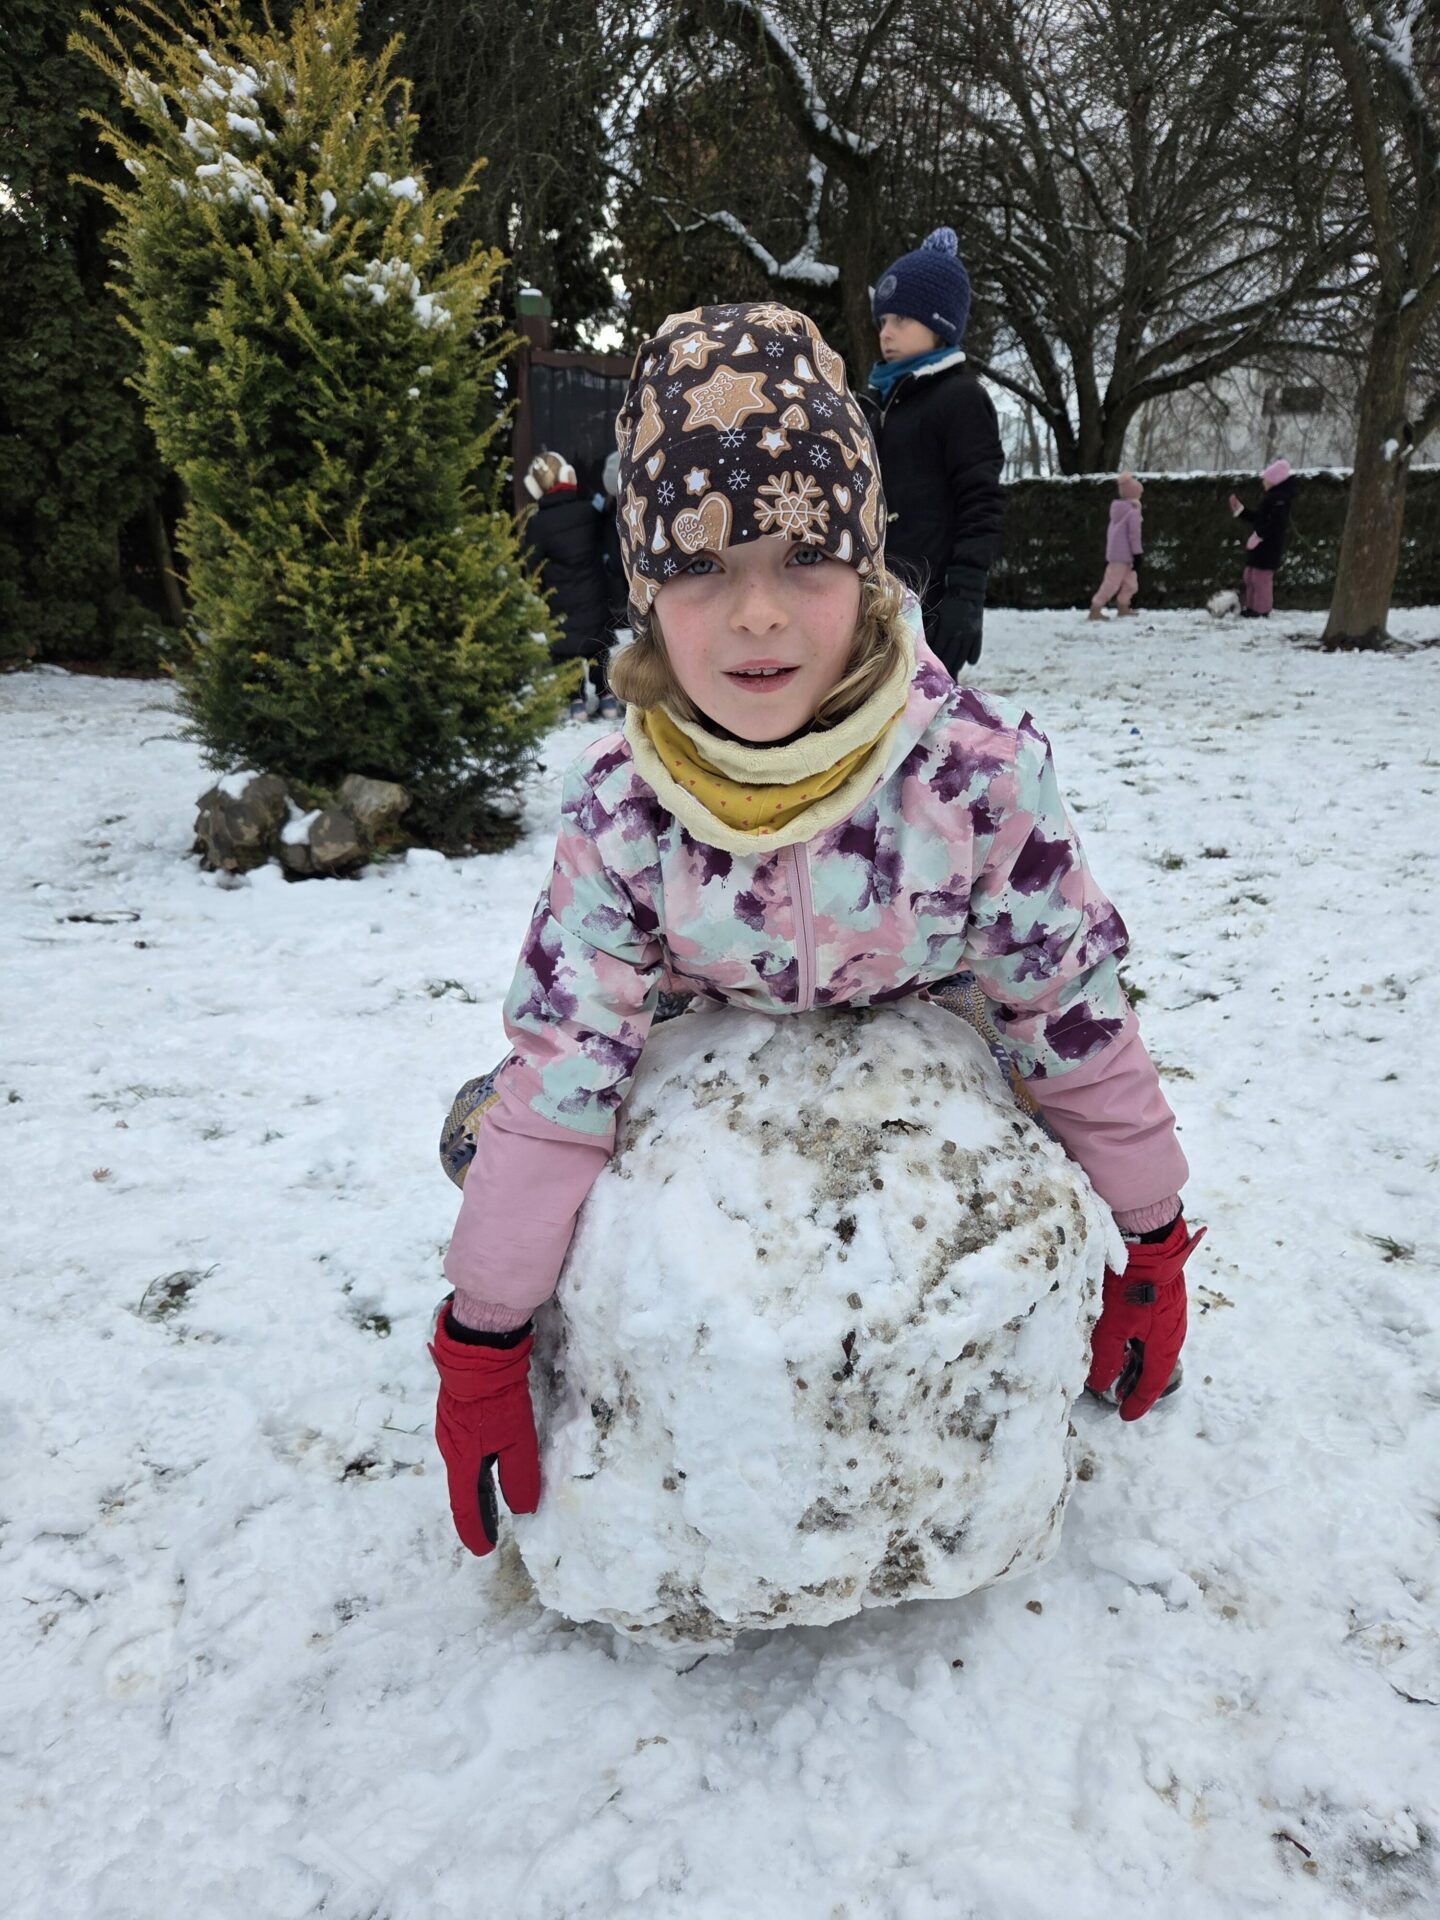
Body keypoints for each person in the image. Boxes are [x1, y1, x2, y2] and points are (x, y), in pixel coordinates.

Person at [429, 302, 1202, 1559]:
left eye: (803, 556)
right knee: (486, 1126)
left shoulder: (977, 782)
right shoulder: (627, 813)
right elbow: (564, 1073)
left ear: (869, 563)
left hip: (928, 1074)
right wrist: (483, 1331)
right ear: (646, 589)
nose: (757, 614)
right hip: (707, 1083)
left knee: (1038, 1123)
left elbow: (1072, 1016)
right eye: (701, 566)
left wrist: (1155, 1239)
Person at [858, 227, 1004, 675]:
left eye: (901, 320)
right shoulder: (873, 403)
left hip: (931, 604)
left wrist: (965, 596)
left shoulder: (960, 399)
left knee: (920, 715)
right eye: (882, 321)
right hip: (866, 600)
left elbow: (981, 501)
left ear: (939, 325)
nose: (886, 333)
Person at [521, 450, 621, 719]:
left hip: (559, 600)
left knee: (566, 650)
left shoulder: (537, 524)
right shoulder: (588, 510)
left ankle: (576, 701)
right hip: (594, 593)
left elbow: (531, 564)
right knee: (597, 645)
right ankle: (606, 698)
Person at [1228, 458, 1297, 618]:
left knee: (1261, 578)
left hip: (1268, 545)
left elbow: (1277, 524)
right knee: (1250, 576)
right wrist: (1241, 511)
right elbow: (1260, 518)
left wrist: (1259, 536)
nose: (1263, 482)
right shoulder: (1272, 497)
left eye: (1266, 479)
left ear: (1274, 480)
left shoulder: (1280, 499)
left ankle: (1261, 610)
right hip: (1259, 544)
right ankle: (1252, 607)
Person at [1089, 473, 1143, 620]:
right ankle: (1096, 608)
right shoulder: (1132, 512)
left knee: (1130, 583)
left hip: (1119, 554)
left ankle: (1123, 606)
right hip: (1124, 556)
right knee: (1112, 584)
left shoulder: (1118, 511)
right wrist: (1137, 554)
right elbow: (1134, 535)